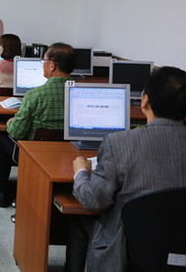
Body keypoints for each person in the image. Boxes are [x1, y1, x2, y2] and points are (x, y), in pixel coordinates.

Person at [66, 66, 186, 272]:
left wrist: (81, 172)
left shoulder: (118, 143)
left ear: (145, 101)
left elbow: (94, 200)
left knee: (79, 219)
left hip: (127, 249)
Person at [0, 43, 75, 207]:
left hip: (35, 154)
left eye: (43, 61)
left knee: (1, 140)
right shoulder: (82, 93)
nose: (42, 65)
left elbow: (17, 133)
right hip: (69, 153)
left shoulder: (34, 95)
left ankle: (0, 192)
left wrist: (10, 123)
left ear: (52, 66)